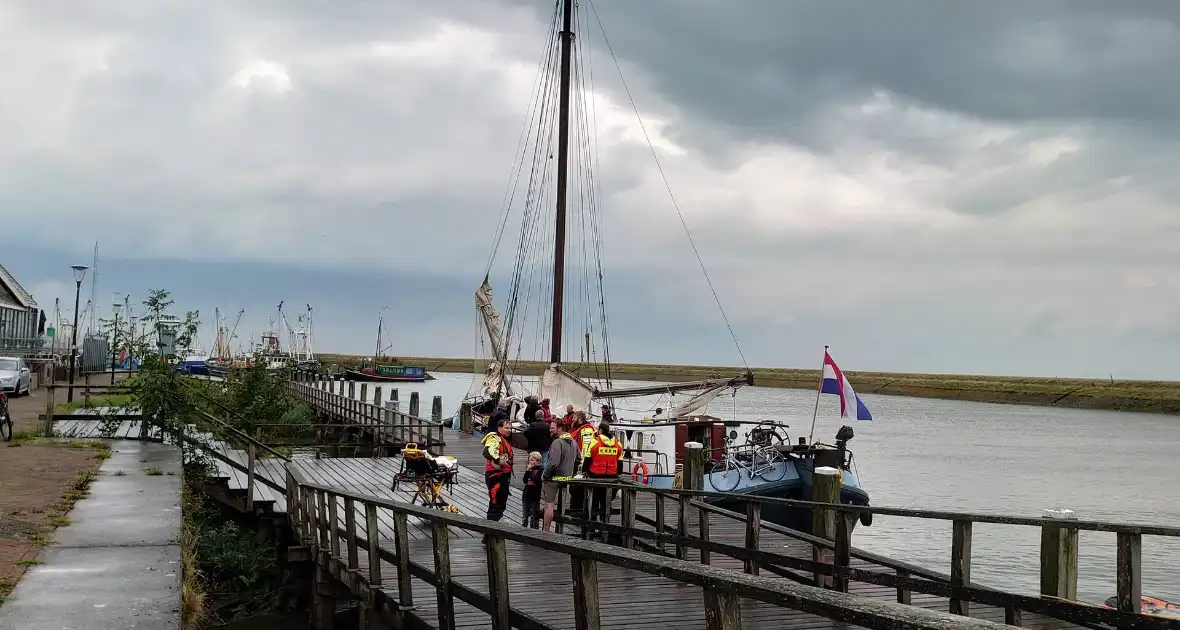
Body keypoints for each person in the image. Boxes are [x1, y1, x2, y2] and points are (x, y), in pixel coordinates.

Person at [582, 420, 624, 525]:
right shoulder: (618, 443)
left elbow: (587, 459)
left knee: (593, 504)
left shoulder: (595, 442)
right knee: (606, 503)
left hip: (595, 477)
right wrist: (617, 473)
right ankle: (605, 527)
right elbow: (620, 462)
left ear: (600, 430)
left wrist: (584, 471)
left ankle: (591, 527)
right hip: (611, 478)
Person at [542, 421, 578, 532]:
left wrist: (545, 475)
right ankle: (559, 531)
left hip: (554, 479)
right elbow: (579, 459)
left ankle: (545, 531)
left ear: (560, 428)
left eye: (552, 428)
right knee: (561, 506)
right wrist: (572, 472)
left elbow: (553, 463)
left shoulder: (557, 442)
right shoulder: (574, 442)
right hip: (567, 478)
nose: (550, 430)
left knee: (549, 505)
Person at [480, 417, 514, 522]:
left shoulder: (504, 440)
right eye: (506, 428)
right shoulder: (494, 439)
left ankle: (491, 532)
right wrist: (498, 459)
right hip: (496, 476)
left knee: (499, 504)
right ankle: (491, 533)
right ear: (499, 428)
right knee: (496, 505)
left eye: (510, 428)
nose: (509, 430)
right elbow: (487, 451)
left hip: (502, 476)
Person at [568, 410, 597, 515]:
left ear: (580, 418)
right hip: (576, 460)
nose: (572, 419)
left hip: (580, 463)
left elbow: (586, 447)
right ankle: (577, 510)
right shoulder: (578, 429)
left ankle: (578, 512)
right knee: (574, 489)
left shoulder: (587, 430)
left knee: (578, 489)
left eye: (574, 418)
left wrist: (582, 465)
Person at [521, 452, 544, 529]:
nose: (530, 462)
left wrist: (529, 472)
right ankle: (523, 530)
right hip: (527, 494)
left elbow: (536, 480)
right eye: (529, 460)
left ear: (538, 461)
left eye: (532, 460)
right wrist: (527, 471)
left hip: (535, 495)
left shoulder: (541, 470)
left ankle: (534, 530)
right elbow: (524, 480)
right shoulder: (529, 470)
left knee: (534, 515)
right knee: (525, 515)